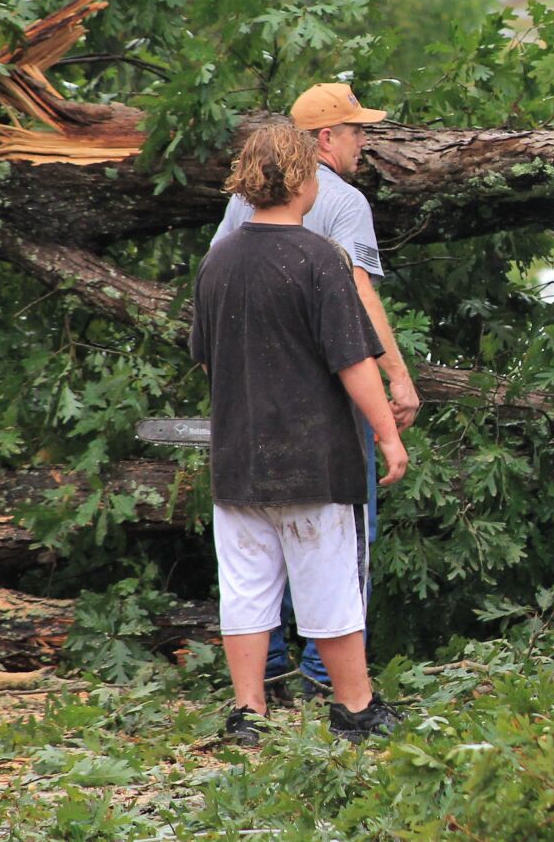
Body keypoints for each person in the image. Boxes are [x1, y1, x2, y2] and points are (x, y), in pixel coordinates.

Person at [191, 122, 409, 745]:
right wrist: (387, 435)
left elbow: (207, 356)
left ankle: (247, 714)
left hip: (237, 456)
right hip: (314, 456)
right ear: (304, 180)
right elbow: (353, 362)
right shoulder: (320, 260)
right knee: (332, 586)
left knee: (246, 589)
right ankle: (355, 709)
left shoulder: (217, 262)